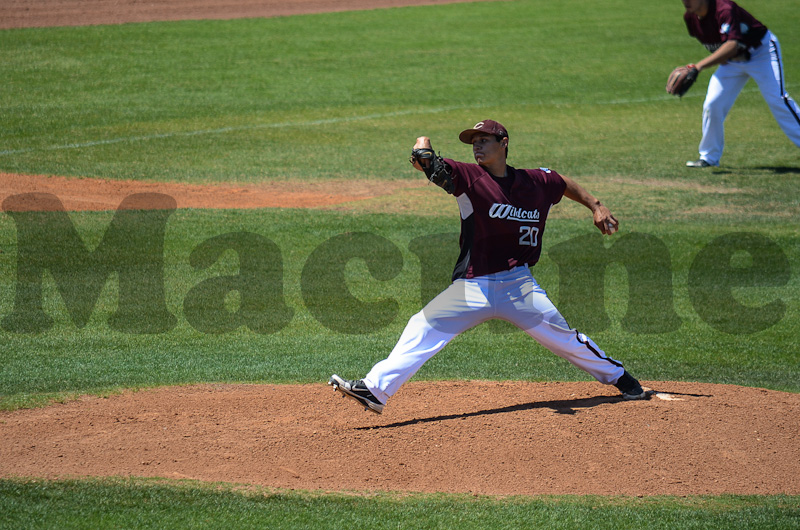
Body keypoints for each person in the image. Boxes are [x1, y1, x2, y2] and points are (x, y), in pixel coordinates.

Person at [329, 120, 649, 414]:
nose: (477, 146)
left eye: (484, 140)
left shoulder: (535, 181)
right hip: (473, 287)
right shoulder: (468, 177)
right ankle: (375, 390)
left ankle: (624, 381)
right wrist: (421, 150)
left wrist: (596, 205)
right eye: (473, 142)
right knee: (422, 326)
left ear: (504, 143)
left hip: (519, 286)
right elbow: (426, 160)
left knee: (563, 339)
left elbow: (562, 182)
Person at [672, 0, 800, 167]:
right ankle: (709, 158)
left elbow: (732, 44)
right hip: (731, 61)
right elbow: (720, 44)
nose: (686, 1)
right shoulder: (690, 18)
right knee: (713, 104)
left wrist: (699, 66)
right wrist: (725, 56)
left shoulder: (725, 9)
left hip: (761, 53)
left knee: (778, 99)